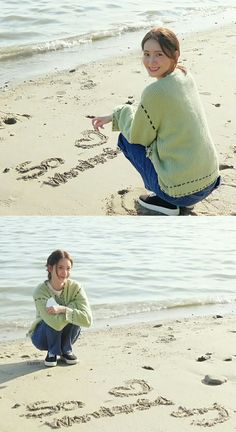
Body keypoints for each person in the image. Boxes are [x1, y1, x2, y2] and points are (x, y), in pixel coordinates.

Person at [92, 27, 220, 216]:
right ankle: (176, 197)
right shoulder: (185, 76)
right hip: (210, 180)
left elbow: (138, 136)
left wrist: (120, 111)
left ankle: (165, 202)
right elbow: (153, 112)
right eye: (146, 54)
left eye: (158, 54)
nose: (151, 61)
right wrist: (114, 116)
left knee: (126, 139)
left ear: (174, 54)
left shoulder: (155, 91)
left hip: (180, 194)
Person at [28, 250, 92, 367]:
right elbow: (55, 324)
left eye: (68, 268)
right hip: (42, 337)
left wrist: (63, 309)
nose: (65, 272)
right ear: (50, 268)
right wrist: (72, 307)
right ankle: (52, 351)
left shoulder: (76, 288)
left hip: (68, 336)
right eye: (61, 267)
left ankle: (66, 350)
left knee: (73, 316)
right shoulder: (40, 291)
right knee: (54, 317)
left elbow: (87, 320)